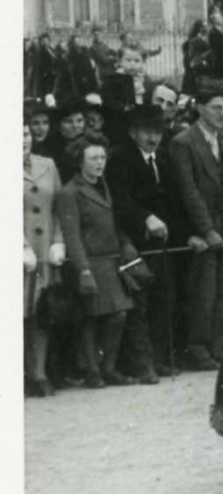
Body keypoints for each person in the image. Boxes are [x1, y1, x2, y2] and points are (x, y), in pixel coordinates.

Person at [171, 83, 223, 370]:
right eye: (216, 107)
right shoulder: (183, 142)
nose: (222, 113)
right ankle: (199, 348)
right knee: (204, 291)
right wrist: (207, 229)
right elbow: (188, 191)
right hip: (204, 227)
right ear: (199, 108)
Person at [55, 132, 138, 388]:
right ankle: (93, 371)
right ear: (80, 161)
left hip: (111, 260)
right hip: (90, 262)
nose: (100, 163)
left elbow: (113, 222)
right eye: (93, 158)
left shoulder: (104, 185)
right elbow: (72, 236)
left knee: (118, 314)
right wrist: (83, 270)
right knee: (90, 317)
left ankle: (108, 367)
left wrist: (125, 243)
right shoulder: (70, 192)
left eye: (102, 157)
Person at [107, 104, 179, 382]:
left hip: (162, 243)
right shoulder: (120, 159)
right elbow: (120, 200)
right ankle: (141, 364)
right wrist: (146, 218)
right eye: (148, 132)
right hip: (132, 243)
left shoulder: (163, 157)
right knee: (139, 304)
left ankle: (159, 358)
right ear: (133, 133)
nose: (154, 138)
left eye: (158, 132)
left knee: (163, 301)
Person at [24, 119, 66, 397]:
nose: (23, 140)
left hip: (43, 253)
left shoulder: (48, 164)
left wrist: (58, 241)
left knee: (41, 312)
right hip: (20, 251)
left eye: (25, 133)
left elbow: (60, 207)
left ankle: (38, 373)